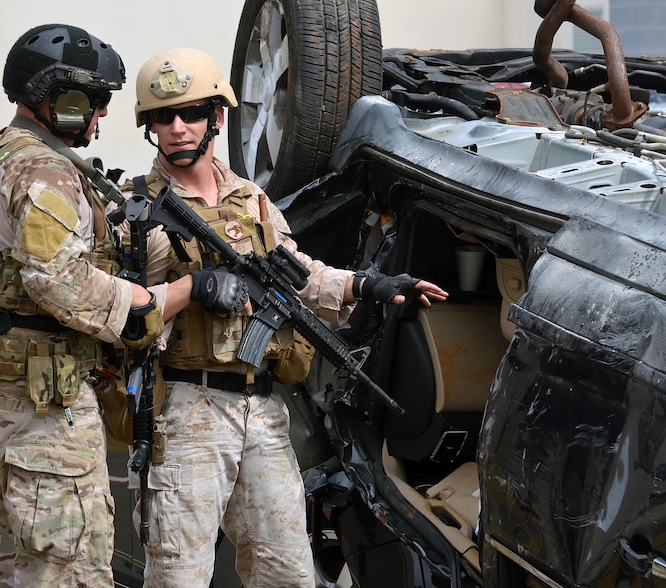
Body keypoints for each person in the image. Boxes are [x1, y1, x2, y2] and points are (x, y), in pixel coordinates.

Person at [125, 47, 449, 587]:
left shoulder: (251, 200)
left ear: (217, 118)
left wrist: (368, 285)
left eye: (192, 114)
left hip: (261, 407)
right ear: (150, 126)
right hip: (186, 410)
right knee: (178, 576)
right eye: (163, 117)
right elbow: (122, 307)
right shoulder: (138, 209)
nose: (178, 128)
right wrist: (195, 288)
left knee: (288, 574)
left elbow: (300, 273)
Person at [0, 24, 172, 587]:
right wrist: (144, 306)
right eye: (96, 101)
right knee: (68, 569)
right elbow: (58, 280)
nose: (102, 116)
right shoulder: (43, 170)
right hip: (43, 411)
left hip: (1, 397)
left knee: (16, 568)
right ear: (59, 99)